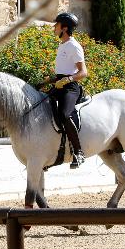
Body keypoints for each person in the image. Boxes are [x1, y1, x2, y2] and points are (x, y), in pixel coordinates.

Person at [38, 11, 88, 168]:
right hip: (59, 84)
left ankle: (78, 152)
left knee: (65, 115)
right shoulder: (62, 45)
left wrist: (67, 80)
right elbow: (63, 71)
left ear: (64, 28)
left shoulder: (74, 46)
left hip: (70, 88)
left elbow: (83, 72)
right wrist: (49, 81)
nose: (54, 27)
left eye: (57, 25)